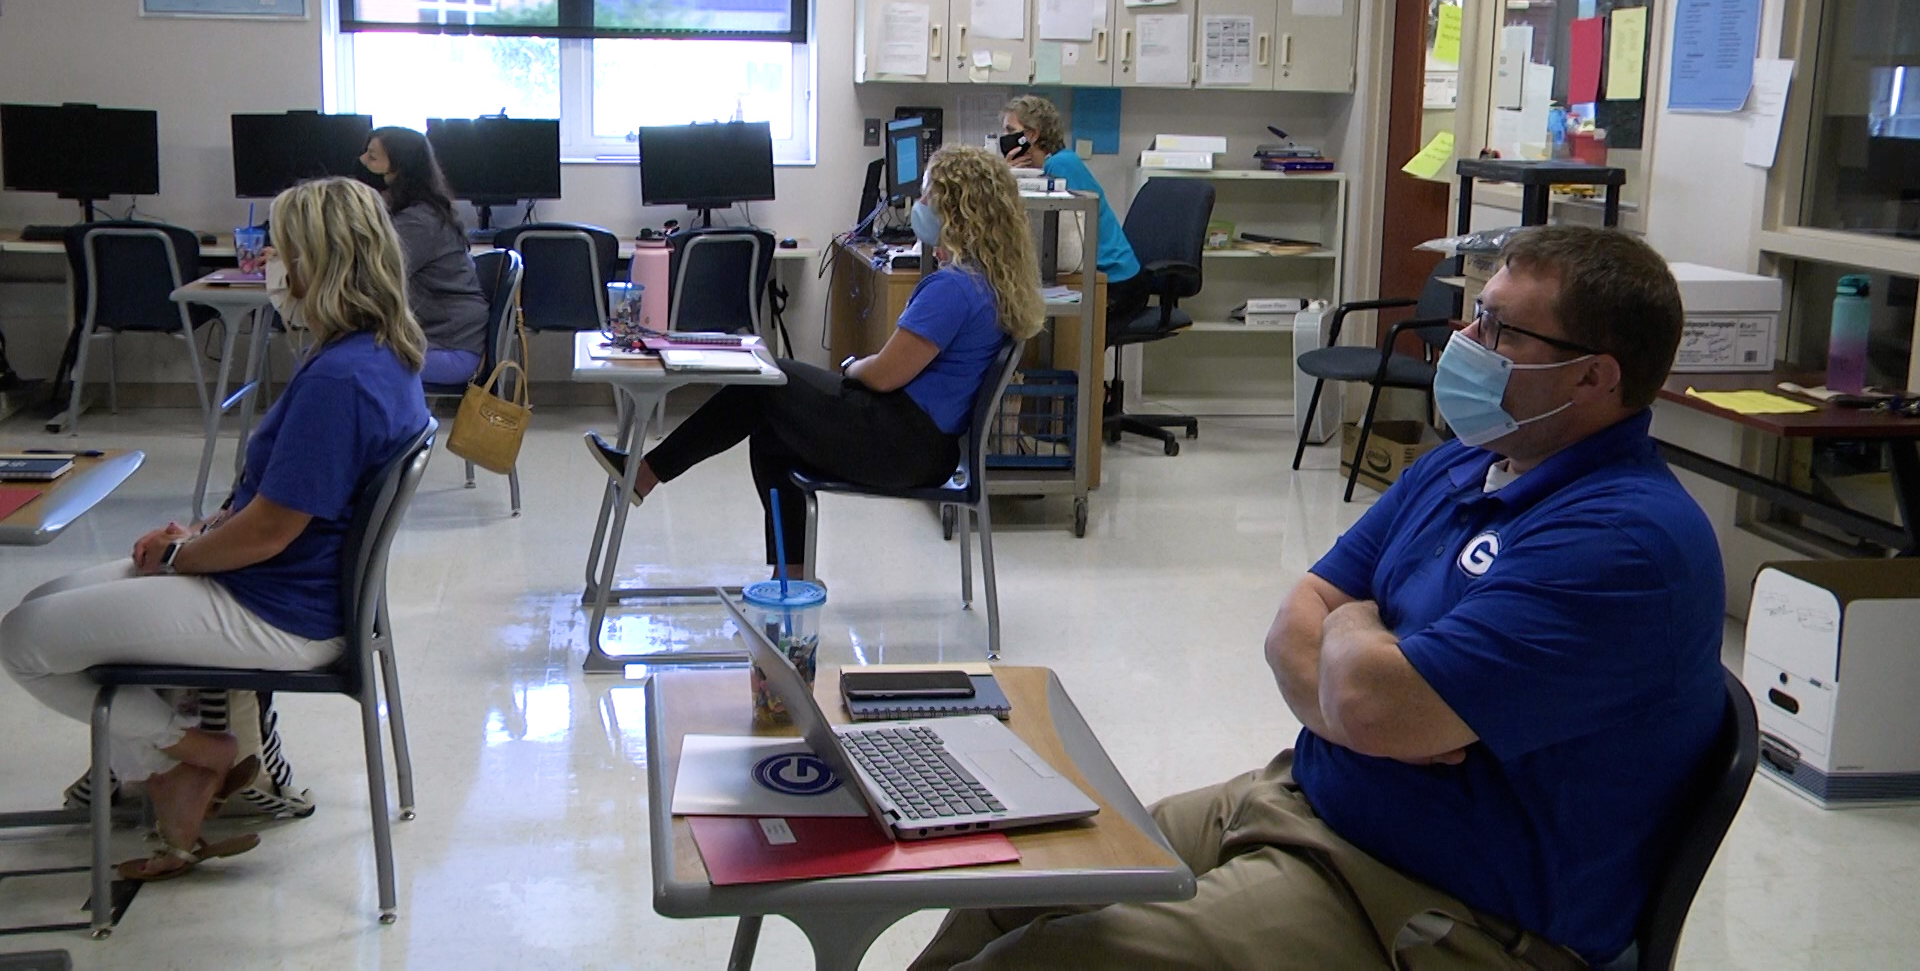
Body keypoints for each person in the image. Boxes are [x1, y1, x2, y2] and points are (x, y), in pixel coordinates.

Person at [911, 227, 1727, 970]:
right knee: (1018, 880)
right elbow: (1298, 622)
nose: (1464, 342)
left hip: (1430, 904)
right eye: (1476, 314)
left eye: (1502, 330)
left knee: (1050, 962)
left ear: (1594, 376)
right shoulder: (1467, 464)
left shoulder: (1624, 543)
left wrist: (1359, 648)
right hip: (1304, 795)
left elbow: (1370, 697)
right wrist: (1363, 676)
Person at [0, 178, 431, 882]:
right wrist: (197, 531)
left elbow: (270, 532)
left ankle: (194, 752)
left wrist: (182, 555)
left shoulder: (339, 380)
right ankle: (175, 769)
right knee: (44, 601)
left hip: (277, 609)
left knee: (21, 641)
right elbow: (274, 501)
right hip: (286, 591)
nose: (269, 268)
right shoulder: (375, 355)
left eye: (282, 252)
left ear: (323, 260)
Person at [585, 145, 1046, 569]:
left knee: (768, 383)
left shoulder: (952, 288)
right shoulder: (987, 284)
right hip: (922, 442)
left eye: (927, 198)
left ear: (956, 210)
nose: (920, 208)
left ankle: (645, 473)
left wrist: (851, 367)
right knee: (771, 430)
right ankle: (790, 580)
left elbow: (884, 375)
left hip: (905, 442)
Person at [1000, 95, 1147, 342]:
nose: (1004, 137)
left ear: (1032, 135)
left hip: (1116, 282)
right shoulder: (1052, 166)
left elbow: (1060, 241)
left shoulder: (1061, 166)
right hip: (1100, 274)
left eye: (1010, 130)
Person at [360, 126, 489, 386]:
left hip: (448, 349)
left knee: (329, 364)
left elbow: (369, 273)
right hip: (431, 340)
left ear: (399, 168)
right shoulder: (413, 213)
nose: (361, 162)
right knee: (322, 360)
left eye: (372, 158)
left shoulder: (419, 222)